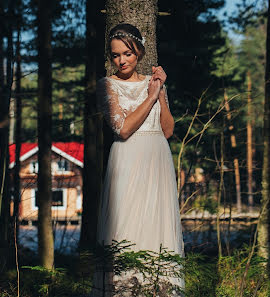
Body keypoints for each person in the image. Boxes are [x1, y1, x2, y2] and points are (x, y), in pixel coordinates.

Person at [91, 23, 185, 296]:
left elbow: (167, 130)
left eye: (128, 54)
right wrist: (150, 98)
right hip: (128, 161)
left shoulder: (153, 83)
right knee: (127, 225)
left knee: (158, 226)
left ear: (140, 52)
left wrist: (160, 93)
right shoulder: (106, 85)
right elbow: (123, 128)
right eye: (115, 55)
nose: (121, 60)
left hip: (157, 160)